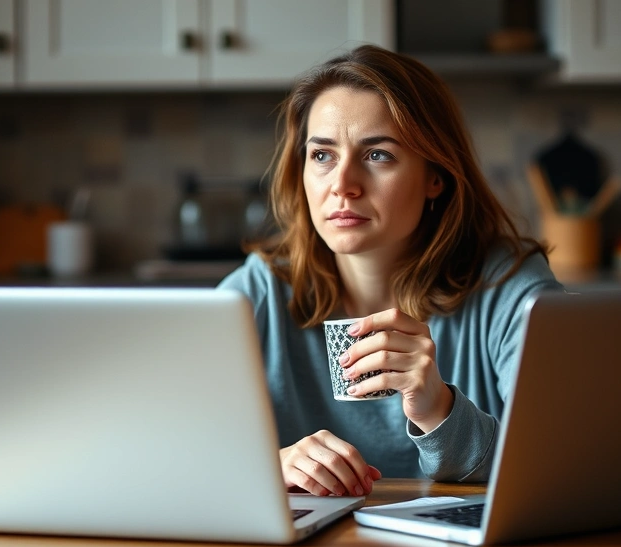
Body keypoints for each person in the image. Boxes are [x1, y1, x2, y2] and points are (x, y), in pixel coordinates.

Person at [217, 44, 562, 498]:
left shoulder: (510, 288)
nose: (343, 185)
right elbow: (161, 437)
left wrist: (440, 409)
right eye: (322, 156)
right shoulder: (258, 290)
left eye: (378, 155)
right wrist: (264, 464)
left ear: (435, 175)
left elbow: (563, 463)